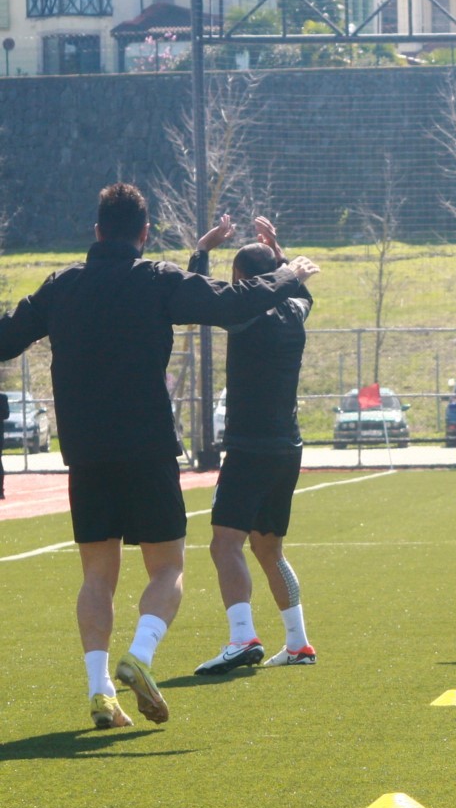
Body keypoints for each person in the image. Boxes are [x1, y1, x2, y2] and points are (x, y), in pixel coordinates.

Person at [0, 185, 318, 729]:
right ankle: (139, 656)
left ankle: (100, 691)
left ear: (97, 231)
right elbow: (232, 302)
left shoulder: (61, 286)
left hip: (87, 453)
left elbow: (5, 338)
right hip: (147, 448)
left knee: (97, 576)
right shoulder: (156, 278)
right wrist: (292, 272)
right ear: (144, 234)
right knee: (167, 566)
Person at [191, 216, 323, 675]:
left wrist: (202, 250)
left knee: (224, 546)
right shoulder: (295, 311)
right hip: (288, 446)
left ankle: (242, 636)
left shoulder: (245, 314)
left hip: (251, 445)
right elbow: (299, 291)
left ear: (243, 280)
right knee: (270, 550)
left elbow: (205, 298)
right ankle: (299, 643)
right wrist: (280, 256)